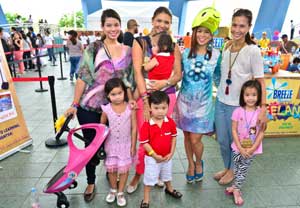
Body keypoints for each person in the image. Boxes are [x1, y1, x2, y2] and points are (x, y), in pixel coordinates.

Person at [64, 9, 134, 202]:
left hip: (116, 110)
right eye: (109, 25)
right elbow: (83, 78)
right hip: (90, 108)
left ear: (120, 26)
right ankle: (91, 181)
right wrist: (75, 103)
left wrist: (133, 103)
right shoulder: (94, 48)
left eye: (116, 25)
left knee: (114, 144)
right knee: (91, 148)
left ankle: (112, 174)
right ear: (102, 27)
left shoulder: (127, 51)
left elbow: (128, 81)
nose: (113, 29)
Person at [127, 6, 182, 194]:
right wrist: (145, 99)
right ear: (152, 20)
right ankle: (138, 174)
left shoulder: (173, 46)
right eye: (159, 20)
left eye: (166, 22)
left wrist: (163, 83)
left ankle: (158, 172)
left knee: (162, 136)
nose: (162, 25)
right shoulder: (140, 43)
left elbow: (177, 74)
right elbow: (137, 72)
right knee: (145, 138)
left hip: (168, 96)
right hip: (146, 96)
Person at [214, 8, 267, 185]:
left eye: (242, 26)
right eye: (234, 25)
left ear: (249, 27)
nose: (237, 29)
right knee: (222, 140)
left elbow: (261, 81)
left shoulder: (253, 51)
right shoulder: (227, 47)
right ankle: (228, 167)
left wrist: (263, 109)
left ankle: (233, 171)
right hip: (220, 101)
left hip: (238, 106)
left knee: (235, 142)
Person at [172, 6, 221, 183]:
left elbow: (219, 79)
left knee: (195, 139)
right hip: (184, 103)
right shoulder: (185, 54)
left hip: (203, 106)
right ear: (194, 32)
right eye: (199, 31)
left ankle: (199, 162)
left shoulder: (216, 55)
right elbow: (177, 76)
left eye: (207, 32)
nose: (202, 35)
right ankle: (190, 165)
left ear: (211, 35)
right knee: (186, 136)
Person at [139, 91, 182, 208]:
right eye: (156, 108)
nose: (160, 111)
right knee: (149, 179)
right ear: (150, 108)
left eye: (163, 107)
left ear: (168, 106)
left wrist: (172, 152)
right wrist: (154, 155)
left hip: (167, 157)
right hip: (152, 159)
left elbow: (174, 137)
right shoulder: (146, 124)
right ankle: (146, 199)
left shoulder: (170, 122)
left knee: (167, 175)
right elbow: (145, 143)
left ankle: (169, 189)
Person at [224, 80, 264, 206]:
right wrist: (240, 148)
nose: (250, 98)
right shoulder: (237, 111)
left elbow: (262, 132)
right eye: (247, 95)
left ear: (259, 96)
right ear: (242, 95)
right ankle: (235, 185)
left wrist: (252, 148)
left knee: (243, 170)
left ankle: (236, 190)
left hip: (252, 149)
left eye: (254, 95)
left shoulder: (261, 114)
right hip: (237, 148)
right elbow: (234, 130)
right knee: (236, 169)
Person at [101, 78, 137, 207]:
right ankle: (113, 189)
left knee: (124, 169)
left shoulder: (130, 108)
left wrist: (133, 145)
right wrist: (100, 145)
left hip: (126, 145)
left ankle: (121, 192)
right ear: (108, 95)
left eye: (120, 93)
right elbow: (101, 128)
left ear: (125, 92)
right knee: (112, 169)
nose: (117, 97)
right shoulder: (106, 109)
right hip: (110, 146)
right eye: (113, 94)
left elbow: (134, 128)